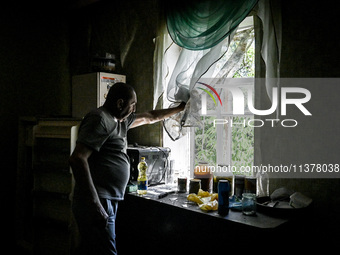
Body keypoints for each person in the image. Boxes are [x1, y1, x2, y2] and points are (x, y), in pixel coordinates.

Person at [69, 82, 186, 255]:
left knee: (91, 249)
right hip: (97, 200)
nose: (134, 109)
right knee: (106, 252)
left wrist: (181, 108)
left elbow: (151, 116)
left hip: (108, 198)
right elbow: (78, 158)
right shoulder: (100, 119)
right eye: (132, 105)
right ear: (120, 103)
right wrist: (95, 204)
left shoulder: (121, 120)